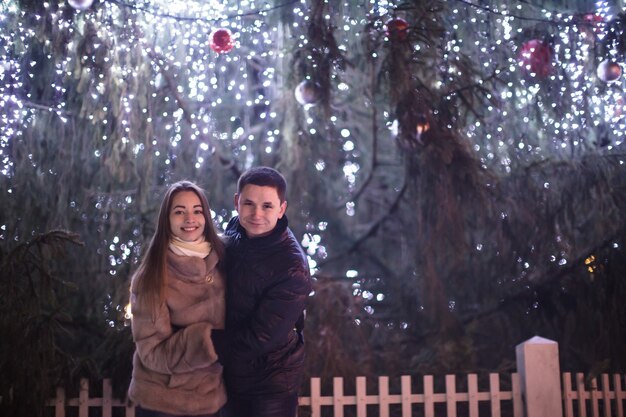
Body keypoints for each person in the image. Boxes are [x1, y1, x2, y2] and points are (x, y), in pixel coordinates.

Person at [218, 166, 312, 417]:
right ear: (237, 202)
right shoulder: (236, 229)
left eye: (267, 206)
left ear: (281, 209)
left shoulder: (292, 268)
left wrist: (197, 341)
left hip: (268, 388)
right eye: (248, 203)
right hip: (229, 375)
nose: (256, 214)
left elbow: (259, 338)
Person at [128, 180, 227, 417]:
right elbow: (151, 352)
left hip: (212, 399)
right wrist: (204, 341)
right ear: (167, 220)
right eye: (179, 212)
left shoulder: (223, 260)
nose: (189, 219)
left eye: (197, 210)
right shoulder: (151, 276)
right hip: (164, 402)